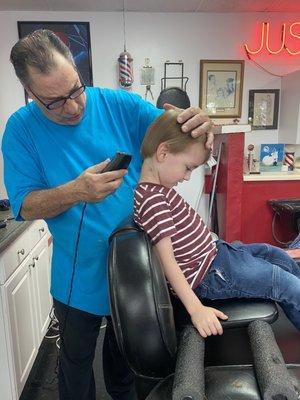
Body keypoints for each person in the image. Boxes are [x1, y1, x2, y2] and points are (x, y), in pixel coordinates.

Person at [1, 29, 213, 400]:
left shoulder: (120, 105)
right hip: (76, 280)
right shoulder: (20, 131)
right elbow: (23, 204)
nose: (73, 107)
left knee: (126, 369)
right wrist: (75, 191)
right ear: (30, 92)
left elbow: (183, 137)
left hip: (136, 273)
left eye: (76, 89)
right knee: (75, 368)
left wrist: (205, 126)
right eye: (55, 101)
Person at [133, 109, 300, 338]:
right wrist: (196, 309)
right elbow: (167, 261)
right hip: (212, 273)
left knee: (277, 256)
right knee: (284, 284)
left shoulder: (157, 191)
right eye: (188, 167)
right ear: (163, 152)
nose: (187, 177)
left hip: (219, 253)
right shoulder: (152, 200)